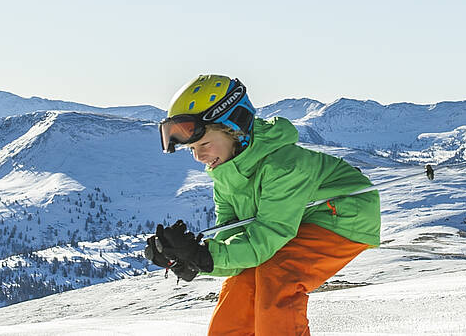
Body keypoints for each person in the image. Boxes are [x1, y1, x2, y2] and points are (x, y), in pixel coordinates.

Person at [145, 74, 381, 336]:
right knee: (241, 283)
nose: (199, 157)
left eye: (204, 144)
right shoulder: (225, 175)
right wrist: (190, 260)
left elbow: (267, 237)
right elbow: (235, 249)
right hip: (295, 221)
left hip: (341, 214)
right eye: (191, 149)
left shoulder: (283, 166)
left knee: (279, 275)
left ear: (235, 128)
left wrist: (203, 257)